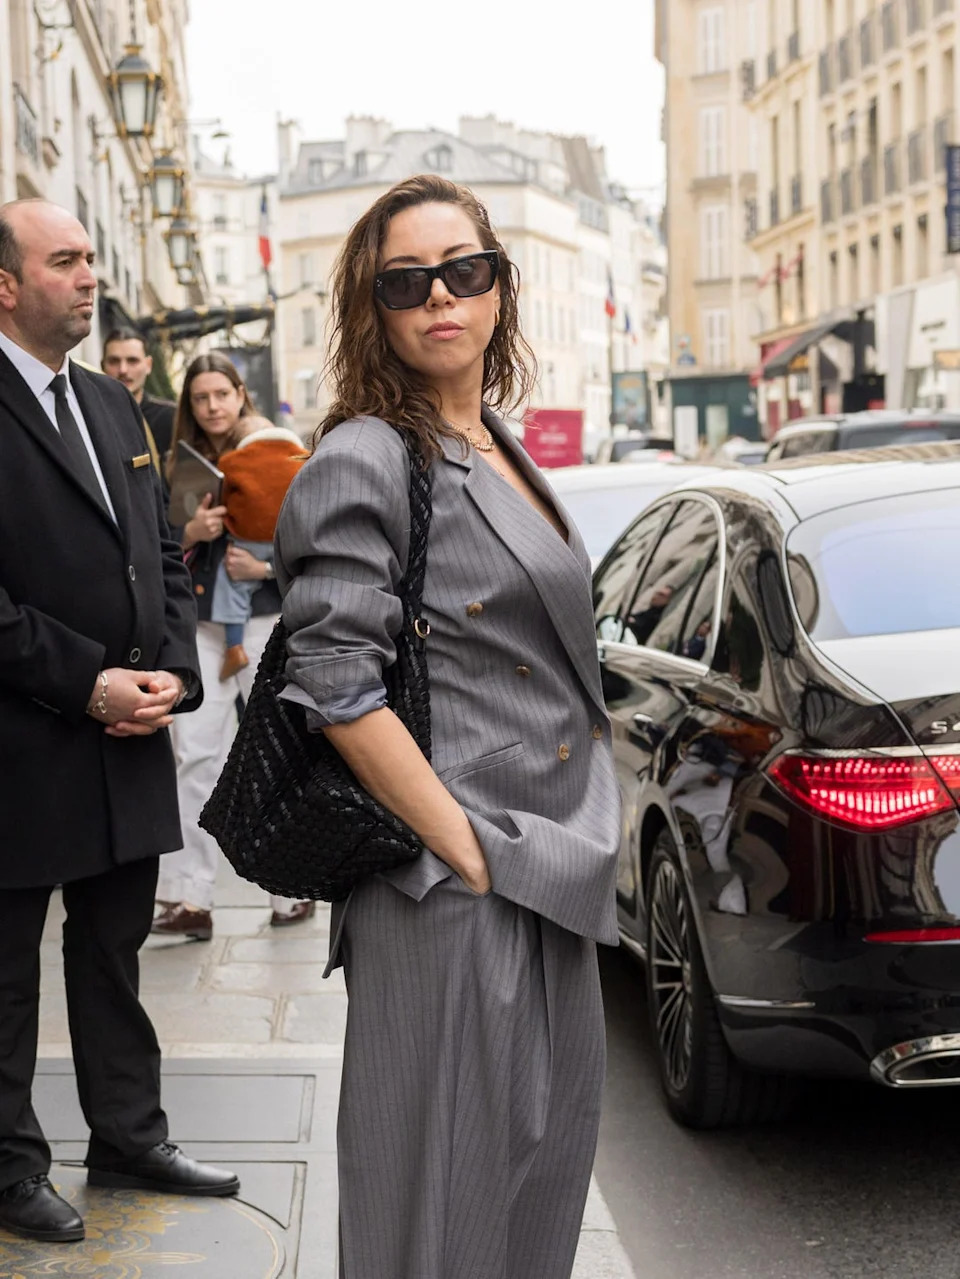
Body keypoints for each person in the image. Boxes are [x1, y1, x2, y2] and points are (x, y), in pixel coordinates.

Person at [274, 174, 620, 1279]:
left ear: (500, 289)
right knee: (438, 1210)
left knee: (531, 1191)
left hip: (549, 868)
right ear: (370, 308)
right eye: (406, 281)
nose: (441, 299)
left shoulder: (501, 443)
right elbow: (337, 689)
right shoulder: (366, 454)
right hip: (459, 886)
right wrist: (466, 851)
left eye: (464, 272)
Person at [0, 199, 239, 1245]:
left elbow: (164, 559)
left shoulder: (114, 406)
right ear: (6, 285)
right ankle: (9, 1170)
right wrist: (83, 680)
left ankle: (129, 1136)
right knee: (5, 977)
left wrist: (173, 674)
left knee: (113, 951)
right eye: (65, 261)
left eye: (92, 257)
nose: (90, 277)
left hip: (128, 736)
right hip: (20, 744)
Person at [154, 352, 314, 936]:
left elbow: (311, 538)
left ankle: (289, 891)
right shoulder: (181, 464)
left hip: (263, 623)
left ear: (240, 393)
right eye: (200, 398)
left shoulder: (276, 449)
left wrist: (265, 572)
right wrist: (189, 533)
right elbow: (155, 548)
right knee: (195, 756)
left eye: (221, 394)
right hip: (201, 626)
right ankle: (190, 898)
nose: (212, 406)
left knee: (275, 752)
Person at [211, 419, 308, 681]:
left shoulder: (232, 461)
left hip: (248, 541)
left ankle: (234, 647)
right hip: (287, 537)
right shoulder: (300, 456)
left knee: (231, 586)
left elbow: (221, 494)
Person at [101, 326, 176, 461]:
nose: (123, 370)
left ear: (148, 365)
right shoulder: (89, 415)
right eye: (114, 361)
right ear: (102, 366)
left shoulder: (170, 417)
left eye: (132, 361)